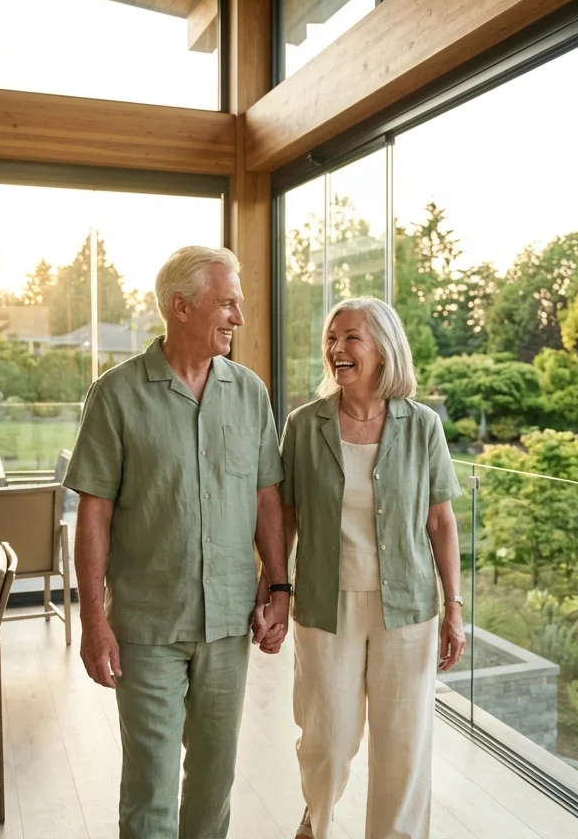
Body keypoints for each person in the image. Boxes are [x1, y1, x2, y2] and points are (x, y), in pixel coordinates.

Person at [65, 245, 290, 839]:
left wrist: (280, 585)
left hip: (228, 621)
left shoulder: (250, 393)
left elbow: (267, 496)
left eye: (239, 304)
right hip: (147, 623)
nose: (238, 318)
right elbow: (94, 512)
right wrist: (93, 617)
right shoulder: (115, 394)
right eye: (227, 304)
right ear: (180, 306)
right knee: (151, 789)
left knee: (215, 782)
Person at [257, 296, 466, 839]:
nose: (337, 349)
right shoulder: (304, 426)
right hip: (326, 601)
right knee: (326, 738)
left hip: (408, 608)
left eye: (352, 338)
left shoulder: (422, 426)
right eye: (332, 338)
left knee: (403, 742)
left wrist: (455, 608)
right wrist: (274, 590)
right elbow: (286, 515)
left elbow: (441, 521)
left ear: (383, 348)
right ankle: (316, 821)